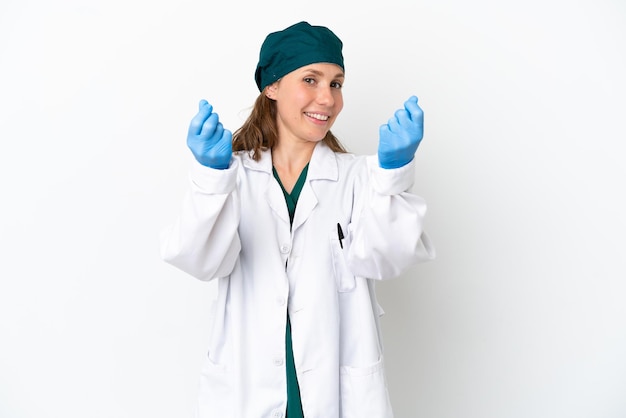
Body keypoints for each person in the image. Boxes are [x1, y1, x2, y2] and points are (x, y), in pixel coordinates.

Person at [160, 21, 435, 418]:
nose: (327, 98)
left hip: (335, 394)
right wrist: (211, 179)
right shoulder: (233, 175)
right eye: (311, 79)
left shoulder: (358, 178)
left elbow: (387, 258)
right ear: (271, 87)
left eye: (336, 84)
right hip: (246, 392)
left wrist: (394, 172)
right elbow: (200, 260)